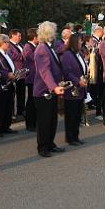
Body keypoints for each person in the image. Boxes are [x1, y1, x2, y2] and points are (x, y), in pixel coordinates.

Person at [33, 21, 66, 158]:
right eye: (54, 31)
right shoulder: (42, 49)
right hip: (43, 92)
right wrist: (54, 87)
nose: (56, 33)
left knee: (52, 119)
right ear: (49, 33)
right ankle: (43, 147)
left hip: (50, 90)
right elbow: (44, 71)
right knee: (44, 121)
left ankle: (50, 143)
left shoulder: (49, 47)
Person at [60, 34, 87, 145]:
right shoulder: (67, 55)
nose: (81, 43)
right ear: (74, 42)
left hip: (80, 88)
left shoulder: (79, 53)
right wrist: (77, 81)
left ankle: (75, 136)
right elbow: (67, 72)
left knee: (77, 115)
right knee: (71, 115)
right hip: (72, 89)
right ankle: (70, 138)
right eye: (80, 41)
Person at [0, 34, 18, 137]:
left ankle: (6, 126)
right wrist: (7, 74)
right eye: (7, 42)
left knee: (8, 106)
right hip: (0, 84)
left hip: (9, 83)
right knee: (0, 107)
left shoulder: (7, 53)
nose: (9, 44)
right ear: (1, 43)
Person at [22, 28, 38, 131]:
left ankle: (34, 122)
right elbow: (34, 58)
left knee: (34, 101)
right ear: (34, 37)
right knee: (31, 102)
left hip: (35, 77)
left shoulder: (34, 46)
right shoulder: (28, 47)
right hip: (31, 77)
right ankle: (30, 124)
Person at [8, 29, 25, 120]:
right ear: (12, 36)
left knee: (21, 94)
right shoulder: (8, 45)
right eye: (19, 36)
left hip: (22, 74)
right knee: (12, 95)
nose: (20, 37)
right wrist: (23, 54)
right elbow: (12, 56)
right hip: (14, 74)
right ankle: (11, 114)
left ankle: (20, 112)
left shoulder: (21, 45)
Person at [88, 26, 104, 118]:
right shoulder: (93, 40)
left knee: (99, 92)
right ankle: (97, 111)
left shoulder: (99, 40)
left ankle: (98, 109)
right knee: (96, 91)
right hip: (95, 70)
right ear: (99, 32)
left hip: (99, 69)